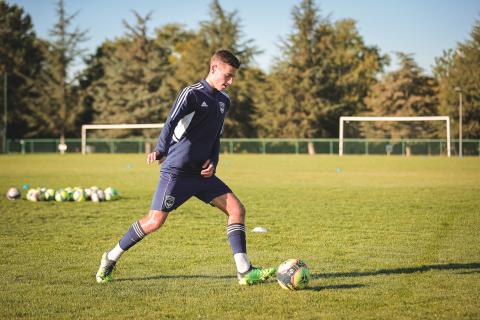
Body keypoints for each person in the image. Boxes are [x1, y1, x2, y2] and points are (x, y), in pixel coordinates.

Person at [96, 49, 276, 285]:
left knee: (236, 210)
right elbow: (170, 121)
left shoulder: (224, 101)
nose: (230, 82)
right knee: (154, 222)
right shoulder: (191, 94)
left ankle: (244, 271)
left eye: (233, 77)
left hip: (202, 175)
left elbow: (215, 137)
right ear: (214, 69)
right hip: (177, 172)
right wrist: (160, 149)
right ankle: (110, 258)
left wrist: (214, 161)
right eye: (227, 76)